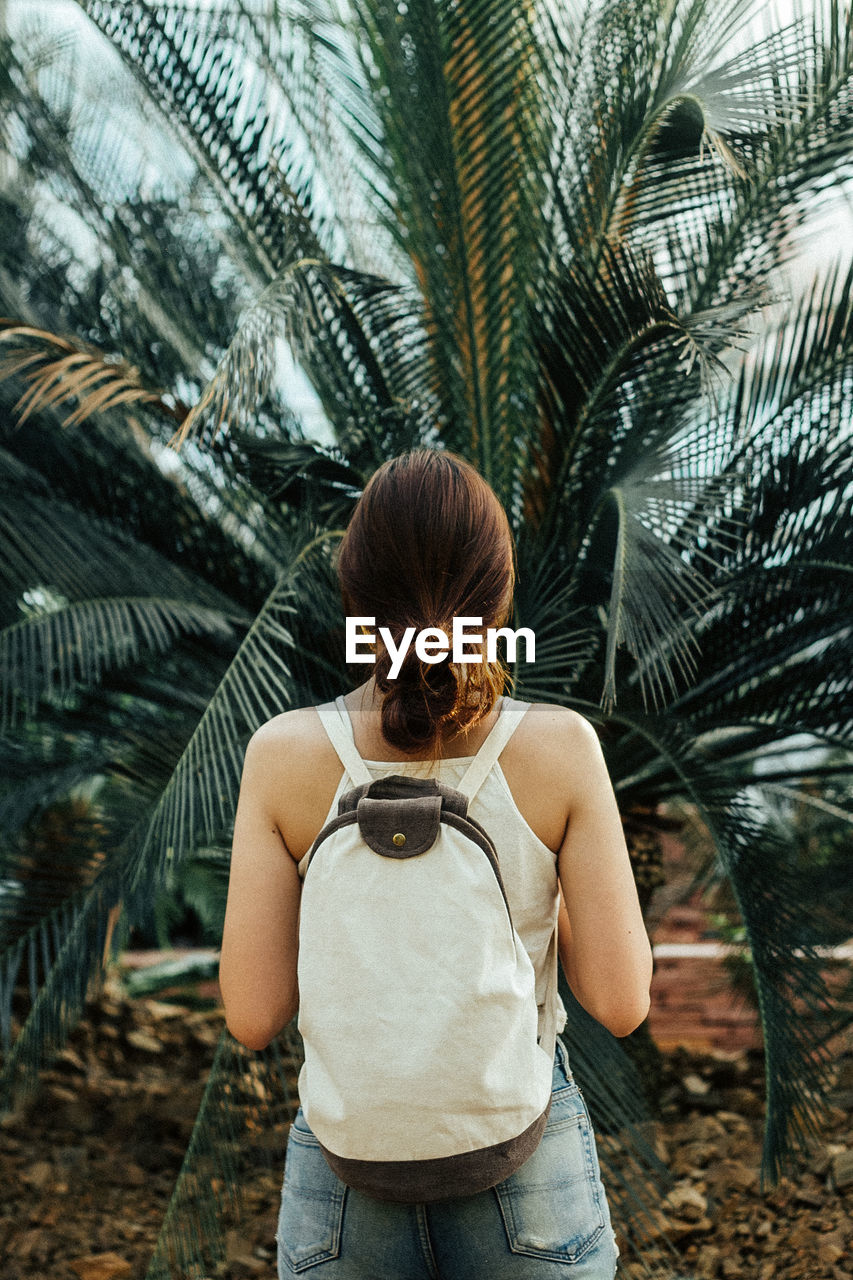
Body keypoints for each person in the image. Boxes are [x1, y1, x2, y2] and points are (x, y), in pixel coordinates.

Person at [219, 449, 653, 1279]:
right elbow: (621, 999)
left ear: (355, 595)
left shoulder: (281, 756)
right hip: (521, 1169)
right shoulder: (560, 750)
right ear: (497, 596)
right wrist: (540, 890)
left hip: (347, 1184)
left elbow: (252, 1011)